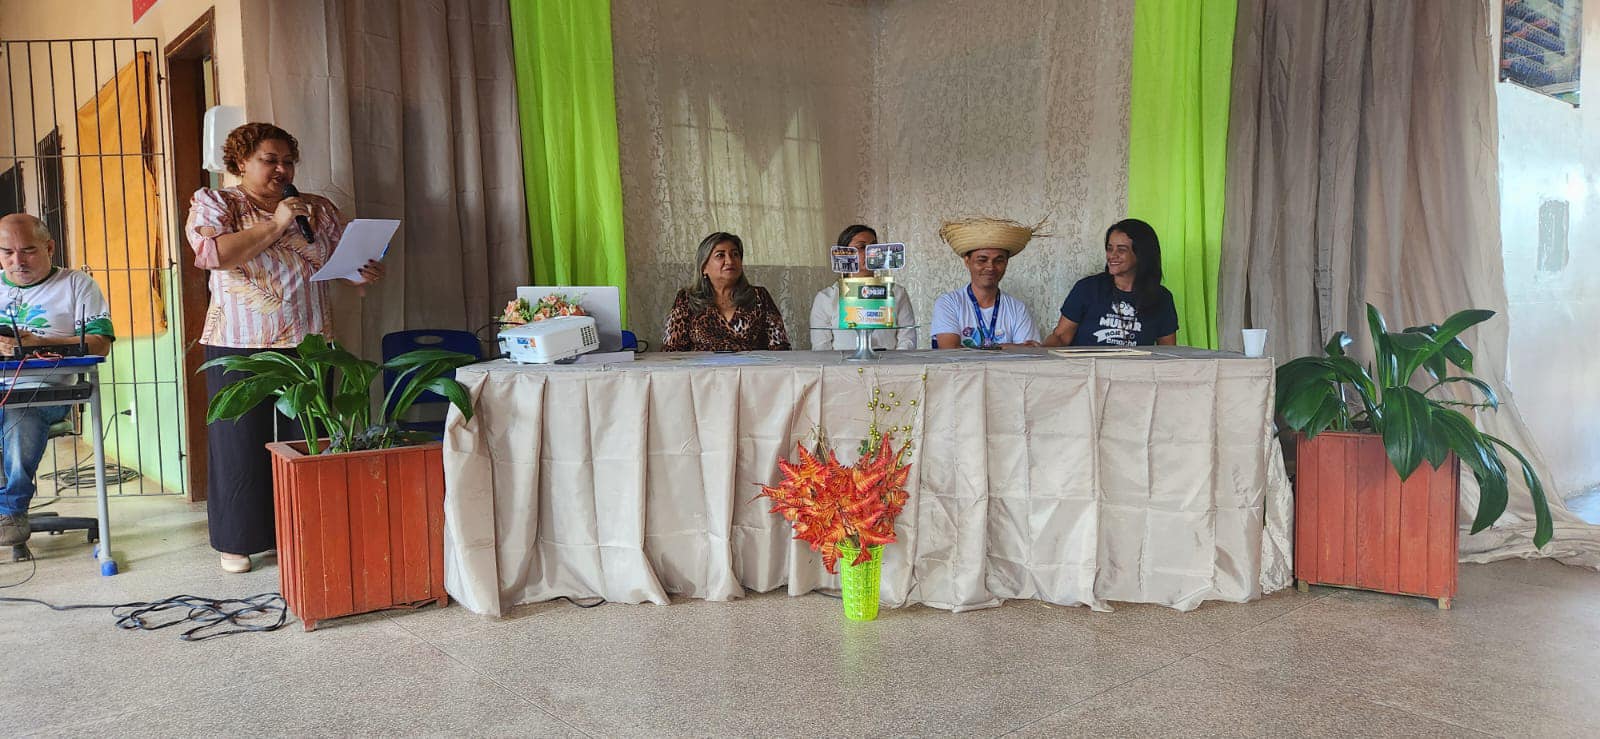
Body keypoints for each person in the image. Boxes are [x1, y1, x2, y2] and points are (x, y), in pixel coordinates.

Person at [186, 122, 385, 573]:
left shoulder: (317, 208)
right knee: (239, 445)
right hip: (239, 342)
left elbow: (337, 263)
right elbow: (214, 255)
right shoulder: (216, 202)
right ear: (240, 162)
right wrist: (277, 223)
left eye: (288, 161)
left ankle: (296, 532)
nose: (282, 169)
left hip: (311, 341)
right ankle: (237, 542)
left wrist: (360, 273)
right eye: (270, 160)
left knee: (305, 440)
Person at [0, 214, 115, 547]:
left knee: (18, 418)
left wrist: (38, 343)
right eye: (7, 252)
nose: (17, 261)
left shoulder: (76, 285)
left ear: (49, 247)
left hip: (46, 392)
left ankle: (11, 510)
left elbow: (100, 343)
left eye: (28, 250)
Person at [1042, 218, 1178, 347]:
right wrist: (1043, 350)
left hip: (1137, 365)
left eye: (1121, 250)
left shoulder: (1162, 299)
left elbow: (1168, 351)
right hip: (1087, 364)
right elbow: (1061, 336)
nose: (1112, 255)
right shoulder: (1087, 288)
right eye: (1109, 248)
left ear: (1141, 254)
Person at [662, 232, 791, 352]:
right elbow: (672, 351)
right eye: (720, 255)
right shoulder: (687, 298)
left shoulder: (759, 296)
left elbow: (780, 346)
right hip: (703, 369)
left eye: (735, 254)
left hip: (752, 368)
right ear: (704, 267)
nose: (730, 261)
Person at [930, 217, 1042, 349]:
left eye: (998, 261)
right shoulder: (949, 303)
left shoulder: (1018, 308)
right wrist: (1004, 347)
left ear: (1006, 263)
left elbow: (1029, 353)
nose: (990, 267)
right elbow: (950, 351)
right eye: (982, 260)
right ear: (967, 261)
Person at [809, 225, 917, 351]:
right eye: (862, 247)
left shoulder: (897, 293)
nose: (872, 252)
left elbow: (907, 340)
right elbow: (821, 348)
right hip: (842, 363)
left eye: (874, 246)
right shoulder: (826, 298)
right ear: (844, 253)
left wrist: (893, 362)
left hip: (890, 362)